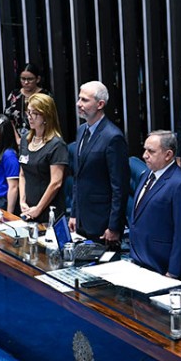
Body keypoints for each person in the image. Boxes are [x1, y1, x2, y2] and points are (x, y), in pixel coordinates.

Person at [129, 131, 181, 283]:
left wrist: (173, 272)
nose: (145, 155)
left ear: (168, 155)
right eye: (145, 150)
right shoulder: (146, 174)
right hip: (141, 261)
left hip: (163, 268)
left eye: (151, 151)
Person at [68, 81, 129, 248]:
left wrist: (114, 226)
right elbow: (78, 177)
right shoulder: (81, 130)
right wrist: (74, 214)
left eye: (85, 100)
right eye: (79, 98)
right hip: (82, 219)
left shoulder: (113, 137)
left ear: (100, 104)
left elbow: (119, 187)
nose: (78, 104)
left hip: (102, 222)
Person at [17, 93, 67, 224]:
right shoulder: (25, 139)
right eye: (28, 112)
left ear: (46, 115)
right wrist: (22, 201)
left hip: (48, 212)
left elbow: (56, 183)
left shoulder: (57, 145)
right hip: (27, 209)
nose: (30, 117)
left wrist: (38, 209)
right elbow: (22, 174)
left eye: (35, 113)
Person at [4, 63, 51, 135]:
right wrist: (17, 138)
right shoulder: (14, 95)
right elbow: (8, 118)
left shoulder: (45, 96)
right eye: (23, 79)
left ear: (37, 79)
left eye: (30, 79)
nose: (26, 82)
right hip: (17, 139)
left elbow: (50, 119)